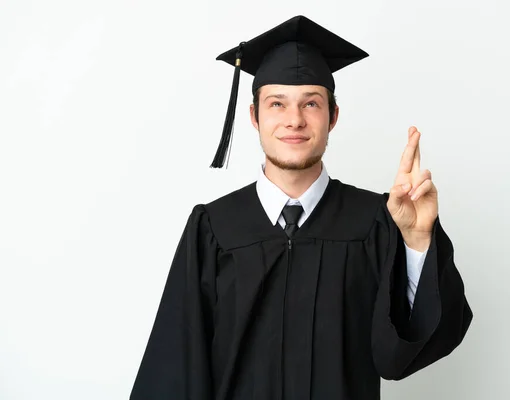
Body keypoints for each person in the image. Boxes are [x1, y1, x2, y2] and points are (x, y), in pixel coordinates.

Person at [130, 15, 472, 400]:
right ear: (255, 117)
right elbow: (176, 366)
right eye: (277, 104)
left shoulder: (376, 221)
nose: (294, 120)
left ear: (333, 117)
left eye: (311, 103)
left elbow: (399, 357)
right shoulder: (214, 228)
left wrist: (417, 242)